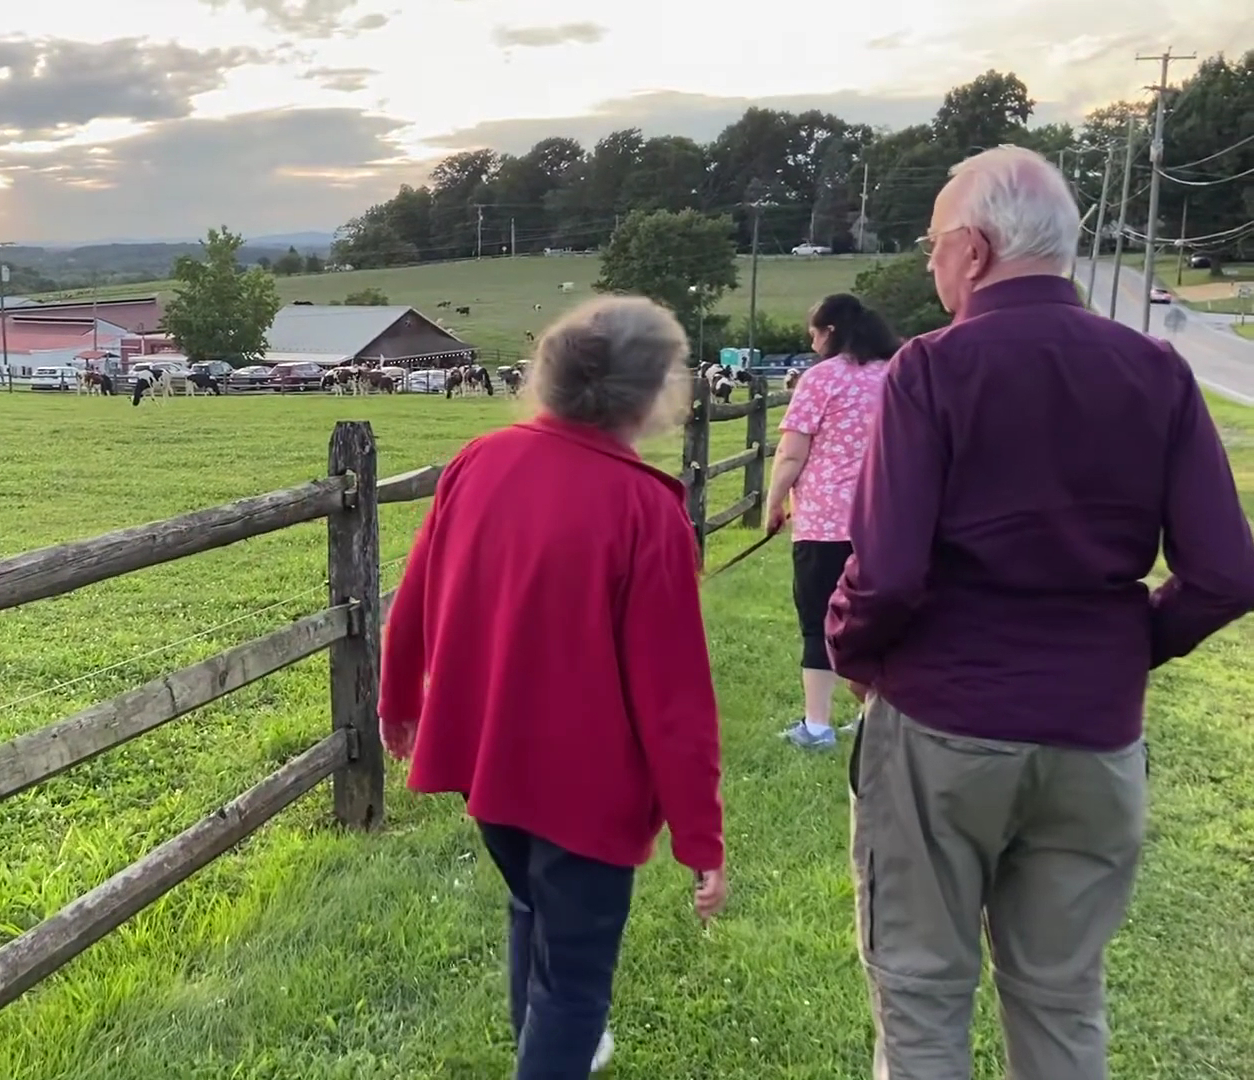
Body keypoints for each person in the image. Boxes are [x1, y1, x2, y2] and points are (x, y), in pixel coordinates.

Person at [826, 145, 1254, 1079]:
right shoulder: (1157, 371)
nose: (933, 262)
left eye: (935, 243)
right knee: (1062, 1003)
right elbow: (1226, 573)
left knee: (923, 995)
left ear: (973, 250)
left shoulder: (931, 371)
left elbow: (888, 574)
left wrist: (848, 645)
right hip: (1094, 736)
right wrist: (1125, 644)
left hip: (943, 720)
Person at [379, 296, 728, 1079]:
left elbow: (415, 596)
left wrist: (398, 700)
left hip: (488, 768)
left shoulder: (480, 459)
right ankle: (556, 1051)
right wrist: (701, 839)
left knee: (532, 908)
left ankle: (549, 1048)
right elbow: (675, 702)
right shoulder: (646, 509)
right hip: (586, 792)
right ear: (651, 394)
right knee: (574, 981)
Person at [763, 294, 900, 749]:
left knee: (819, 619)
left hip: (824, 523)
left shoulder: (820, 380)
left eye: (815, 333)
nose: (813, 341)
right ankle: (871, 718)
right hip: (889, 521)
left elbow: (792, 451)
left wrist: (774, 502)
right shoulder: (898, 374)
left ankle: (817, 725)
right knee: (878, 621)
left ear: (831, 332)